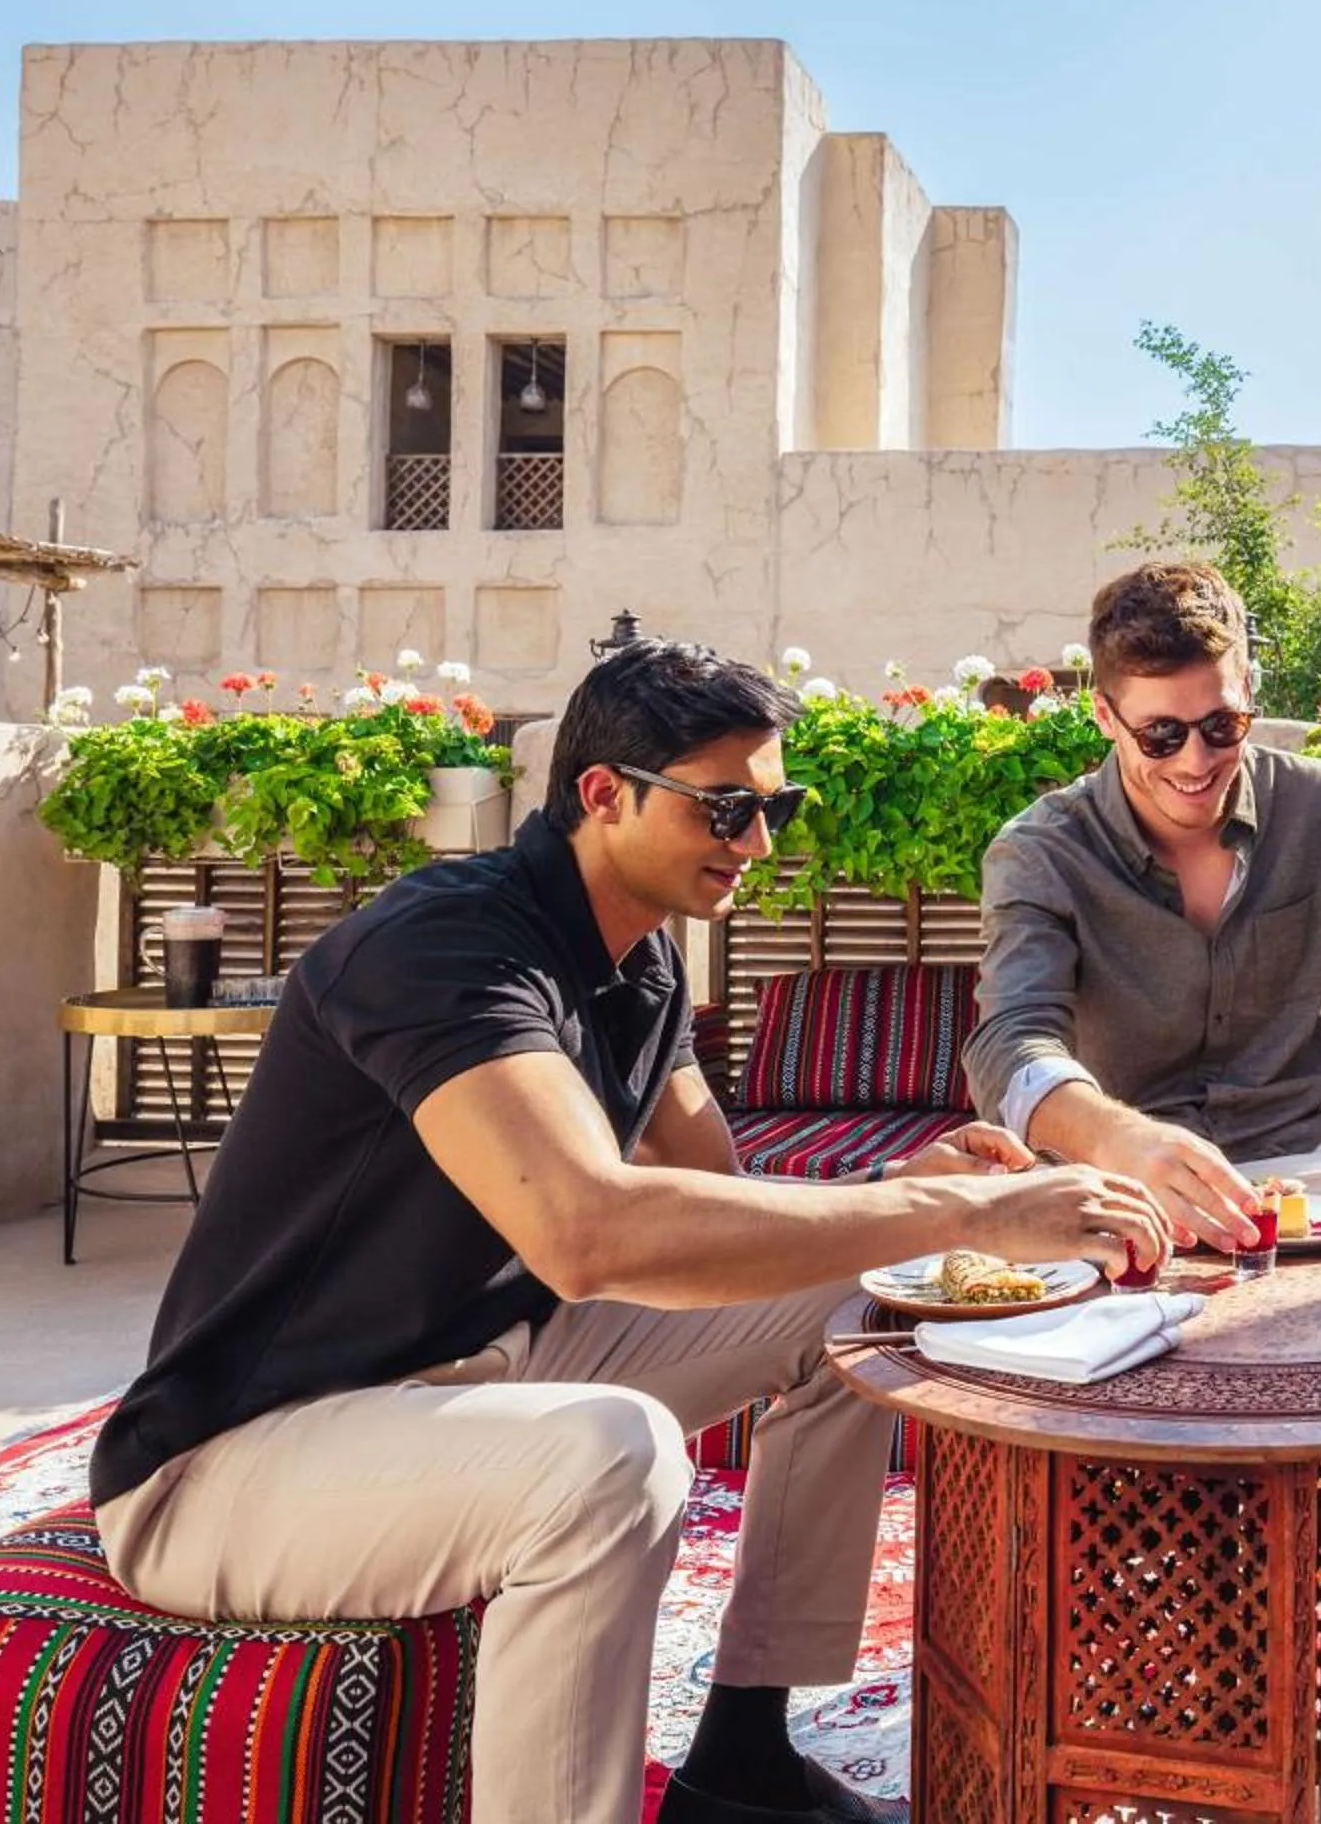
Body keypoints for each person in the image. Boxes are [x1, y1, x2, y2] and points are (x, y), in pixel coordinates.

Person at [87, 639, 1167, 1824]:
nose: (759, 842)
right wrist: (966, 1210)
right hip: (242, 1455)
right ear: (604, 794)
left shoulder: (638, 961)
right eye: (727, 808)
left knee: (861, 1298)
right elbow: (588, 1235)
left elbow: (724, 1204)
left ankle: (743, 1754)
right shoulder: (448, 948)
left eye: (775, 806)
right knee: (616, 1455)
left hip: (474, 1370)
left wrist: (905, 1194)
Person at [966, 559, 1321, 1250]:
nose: (1194, 762)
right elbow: (1012, 1044)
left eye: (1222, 724)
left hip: (1315, 1167)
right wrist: (1125, 1140)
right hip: (1114, 1179)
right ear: (1105, 718)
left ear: (1248, 698)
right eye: (1161, 736)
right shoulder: (1040, 850)